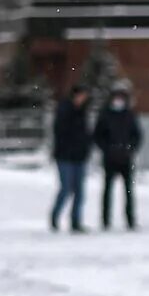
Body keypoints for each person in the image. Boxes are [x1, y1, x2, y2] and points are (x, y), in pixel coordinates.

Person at [95, 82, 144, 231]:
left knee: (129, 191)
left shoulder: (129, 115)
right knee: (107, 190)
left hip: (126, 159)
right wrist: (107, 149)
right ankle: (105, 220)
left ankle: (130, 219)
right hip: (110, 159)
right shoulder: (105, 114)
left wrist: (130, 149)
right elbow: (98, 135)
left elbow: (137, 135)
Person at [50, 84, 93, 233]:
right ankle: (55, 216)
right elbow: (61, 133)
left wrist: (85, 148)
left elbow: (85, 134)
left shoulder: (82, 112)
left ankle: (76, 221)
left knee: (80, 191)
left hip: (79, 157)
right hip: (65, 157)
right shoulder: (64, 110)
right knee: (66, 188)